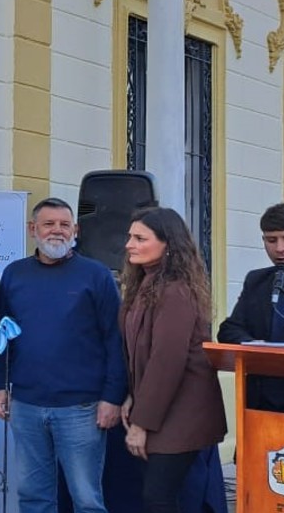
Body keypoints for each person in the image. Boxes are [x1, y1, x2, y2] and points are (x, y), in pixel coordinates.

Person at [0, 198, 125, 513]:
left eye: (65, 225)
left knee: (87, 499)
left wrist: (112, 397)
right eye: (49, 224)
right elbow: (0, 336)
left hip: (82, 408)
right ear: (32, 229)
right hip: (25, 404)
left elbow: (115, 341)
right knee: (33, 497)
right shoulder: (14, 274)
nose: (57, 231)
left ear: (75, 230)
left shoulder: (97, 275)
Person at [119, 207, 227, 513]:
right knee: (160, 497)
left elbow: (167, 361)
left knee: (160, 497)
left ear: (168, 244)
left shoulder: (176, 291)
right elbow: (138, 353)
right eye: (130, 236)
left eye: (140, 238)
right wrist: (131, 395)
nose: (129, 244)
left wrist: (141, 424)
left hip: (181, 416)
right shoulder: (145, 285)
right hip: (159, 411)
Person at [217, 202, 284, 413]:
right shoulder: (257, 281)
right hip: (260, 407)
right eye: (271, 240)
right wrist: (255, 346)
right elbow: (229, 329)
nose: (280, 248)